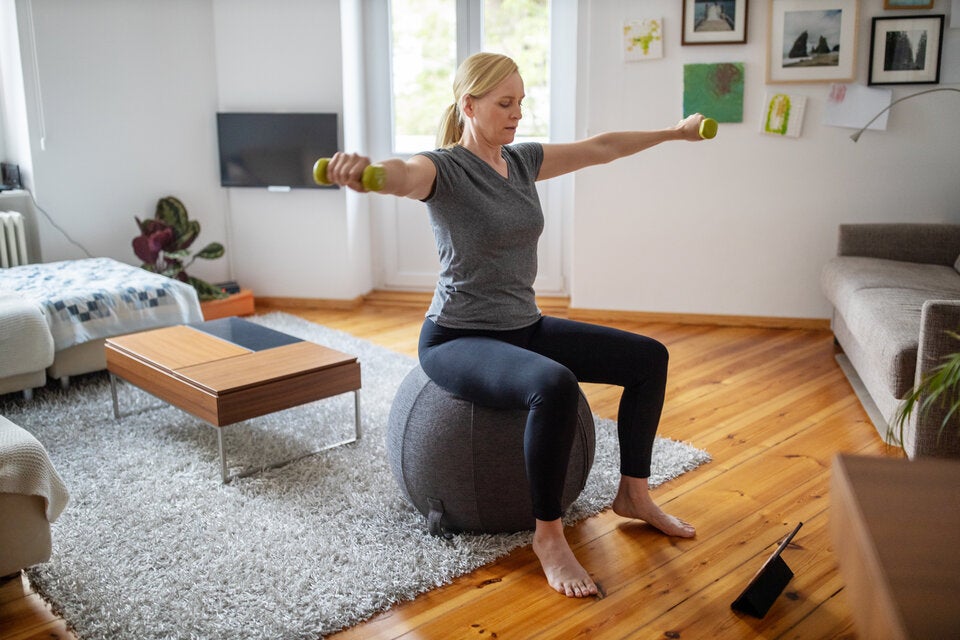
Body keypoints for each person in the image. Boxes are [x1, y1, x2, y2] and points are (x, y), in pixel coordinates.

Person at [325, 52, 707, 599]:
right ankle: (548, 537)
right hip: (457, 337)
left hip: (522, 325)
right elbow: (402, 175)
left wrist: (673, 133)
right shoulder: (444, 169)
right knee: (552, 384)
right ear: (469, 106)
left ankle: (634, 494)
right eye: (505, 104)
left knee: (649, 358)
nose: (517, 114)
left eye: (521, 102)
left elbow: (601, 148)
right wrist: (367, 175)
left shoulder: (521, 161)